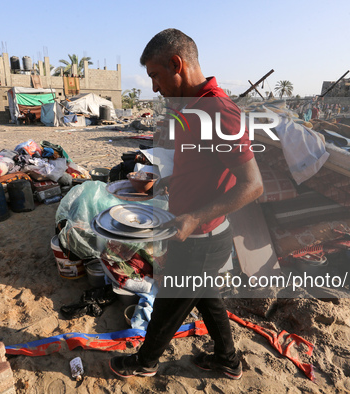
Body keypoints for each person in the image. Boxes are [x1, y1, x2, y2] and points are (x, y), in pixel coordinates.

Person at [109, 28, 263, 380]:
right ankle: (228, 360)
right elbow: (201, 165)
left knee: (167, 307)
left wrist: (194, 216)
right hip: (199, 234)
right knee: (208, 298)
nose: (154, 87)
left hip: (200, 238)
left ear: (176, 64)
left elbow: (254, 185)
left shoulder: (219, 112)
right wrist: (166, 182)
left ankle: (145, 362)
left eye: (156, 76)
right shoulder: (194, 108)